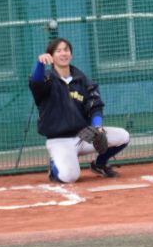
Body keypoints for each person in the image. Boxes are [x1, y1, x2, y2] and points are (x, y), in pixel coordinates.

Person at [28, 37, 130, 183]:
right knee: (70, 177)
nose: (63, 54)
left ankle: (99, 165)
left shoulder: (81, 79)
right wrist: (40, 64)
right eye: (58, 51)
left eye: (66, 50)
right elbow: (36, 83)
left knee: (122, 136)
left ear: (71, 54)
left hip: (83, 135)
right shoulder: (47, 79)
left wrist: (97, 127)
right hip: (59, 140)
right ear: (51, 56)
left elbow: (95, 105)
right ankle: (55, 165)